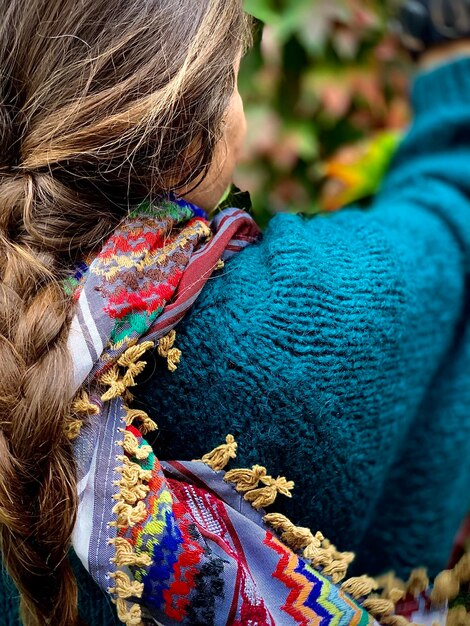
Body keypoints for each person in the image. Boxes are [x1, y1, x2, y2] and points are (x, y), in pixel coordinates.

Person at [0, 0, 469, 625]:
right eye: (235, 83)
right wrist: (451, 60)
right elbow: (448, 224)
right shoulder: (295, 321)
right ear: (192, 131)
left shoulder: (19, 331)